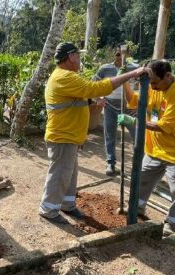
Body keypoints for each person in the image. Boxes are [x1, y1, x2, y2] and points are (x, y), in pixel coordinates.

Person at [38, 42, 145, 224]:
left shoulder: (65, 77)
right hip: (63, 136)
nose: (79, 59)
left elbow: (75, 100)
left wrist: (92, 103)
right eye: (78, 56)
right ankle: (48, 209)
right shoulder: (65, 77)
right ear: (71, 57)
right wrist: (132, 74)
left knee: (69, 174)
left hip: (69, 136)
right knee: (60, 175)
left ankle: (67, 205)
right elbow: (95, 88)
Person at [119, 60, 175, 236]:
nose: (152, 86)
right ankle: (137, 209)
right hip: (154, 150)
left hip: (174, 154)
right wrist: (125, 81)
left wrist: (135, 122)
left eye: (155, 82)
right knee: (141, 180)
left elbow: (164, 125)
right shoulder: (152, 87)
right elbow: (133, 100)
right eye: (150, 83)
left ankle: (171, 224)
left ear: (168, 76)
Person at [93, 47, 137, 176]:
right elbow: (92, 84)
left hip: (129, 107)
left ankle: (138, 165)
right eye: (117, 54)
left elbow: (142, 86)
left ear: (128, 55)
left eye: (122, 54)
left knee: (136, 135)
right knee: (110, 135)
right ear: (114, 55)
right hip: (110, 106)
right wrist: (98, 99)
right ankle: (110, 164)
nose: (119, 57)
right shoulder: (105, 68)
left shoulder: (134, 69)